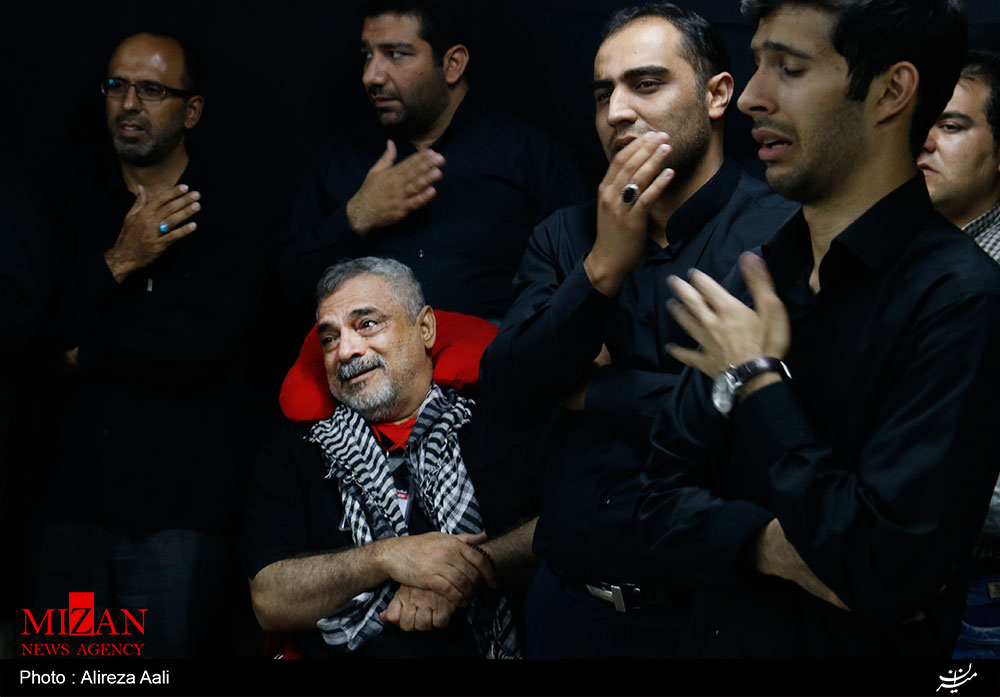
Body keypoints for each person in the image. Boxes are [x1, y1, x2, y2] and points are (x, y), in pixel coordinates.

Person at [635, 0, 1000, 657]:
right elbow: (651, 509)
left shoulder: (961, 300)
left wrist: (756, 380)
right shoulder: (759, 271)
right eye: (758, 63)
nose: (752, 96)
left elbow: (879, 569)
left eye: (791, 68)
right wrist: (764, 545)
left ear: (891, 91)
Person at [479, 3, 796, 658]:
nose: (618, 112)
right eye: (604, 95)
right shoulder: (566, 238)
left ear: (717, 95)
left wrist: (594, 391)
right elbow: (508, 398)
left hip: (713, 617)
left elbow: (772, 413)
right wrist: (600, 272)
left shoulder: (783, 232)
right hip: (569, 607)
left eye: (646, 84)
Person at [33, 32, 268, 657]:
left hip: (178, 513)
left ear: (191, 110)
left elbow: (201, 345)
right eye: (117, 86)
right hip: (70, 507)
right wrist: (120, 259)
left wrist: (86, 354)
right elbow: (36, 334)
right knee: (60, 673)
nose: (129, 103)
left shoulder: (231, 210)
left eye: (152, 89)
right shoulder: (69, 202)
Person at [243, 257, 538, 658]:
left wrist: (461, 570)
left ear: (425, 328)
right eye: (329, 338)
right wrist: (384, 558)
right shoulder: (295, 449)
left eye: (366, 324)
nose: (346, 351)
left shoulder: (500, 417)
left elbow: (567, 523)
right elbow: (269, 601)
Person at [279, 0, 585, 326]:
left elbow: (579, 287)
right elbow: (284, 292)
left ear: (453, 64)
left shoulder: (530, 156)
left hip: (498, 355)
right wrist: (357, 215)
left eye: (395, 54)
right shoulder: (340, 160)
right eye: (367, 55)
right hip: (364, 355)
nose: (371, 76)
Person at [919, 48, 1000, 658]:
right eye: (918, 122)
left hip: (979, 597)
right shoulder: (891, 255)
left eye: (950, 125)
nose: (924, 141)